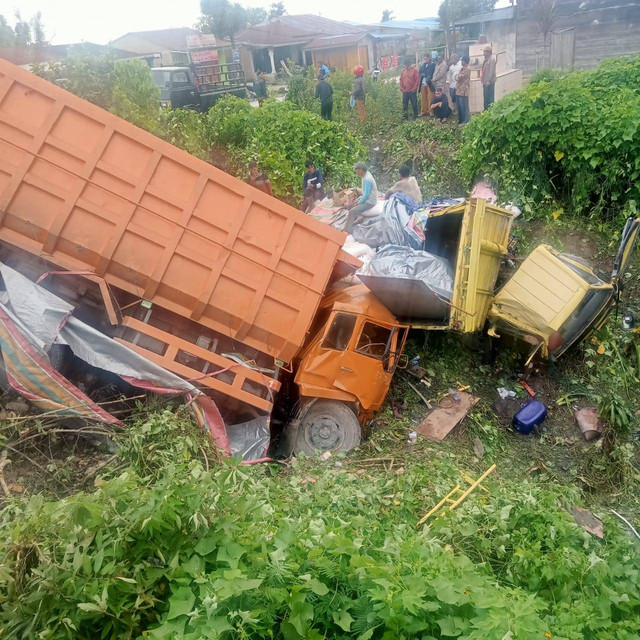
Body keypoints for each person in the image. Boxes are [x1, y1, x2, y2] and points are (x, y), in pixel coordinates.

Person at [344, 162, 378, 233]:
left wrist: (358, 202)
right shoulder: (365, 176)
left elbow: (366, 195)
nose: (356, 171)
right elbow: (364, 192)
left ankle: (346, 231)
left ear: (361, 170)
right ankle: (352, 223)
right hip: (366, 199)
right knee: (349, 206)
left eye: (356, 170)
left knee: (352, 211)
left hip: (369, 202)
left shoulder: (368, 179)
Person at [399, 56, 420, 120]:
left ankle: (416, 116)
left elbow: (417, 80)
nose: (404, 66)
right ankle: (405, 117)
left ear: (408, 64)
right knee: (405, 105)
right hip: (405, 91)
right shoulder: (403, 71)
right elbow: (401, 80)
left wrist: (414, 89)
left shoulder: (414, 70)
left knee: (414, 104)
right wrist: (401, 87)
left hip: (412, 91)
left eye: (405, 64)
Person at [455, 55, 471, 125]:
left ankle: (466, 120)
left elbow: (459, 77)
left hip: (463, 91)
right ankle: (461, 120)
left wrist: (456, 76)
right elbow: (456, 77)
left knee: (464, 106)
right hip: (458, 90)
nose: (461, 62)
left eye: (462, 60)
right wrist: (456, 76)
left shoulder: (467, 69)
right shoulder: (462, 69)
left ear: (465, 61)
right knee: (459, 106)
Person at [481, 44, 496, 110]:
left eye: (485, 51)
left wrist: (489, 80)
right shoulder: (485, 60)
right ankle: (486, 110)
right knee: (485, 97)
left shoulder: (492, 60)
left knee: (490, 98)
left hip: (489, 82)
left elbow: (492, 71)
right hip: (485, 82)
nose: (483, 53)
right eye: (483, 51)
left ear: (489, 52)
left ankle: (490, 111)